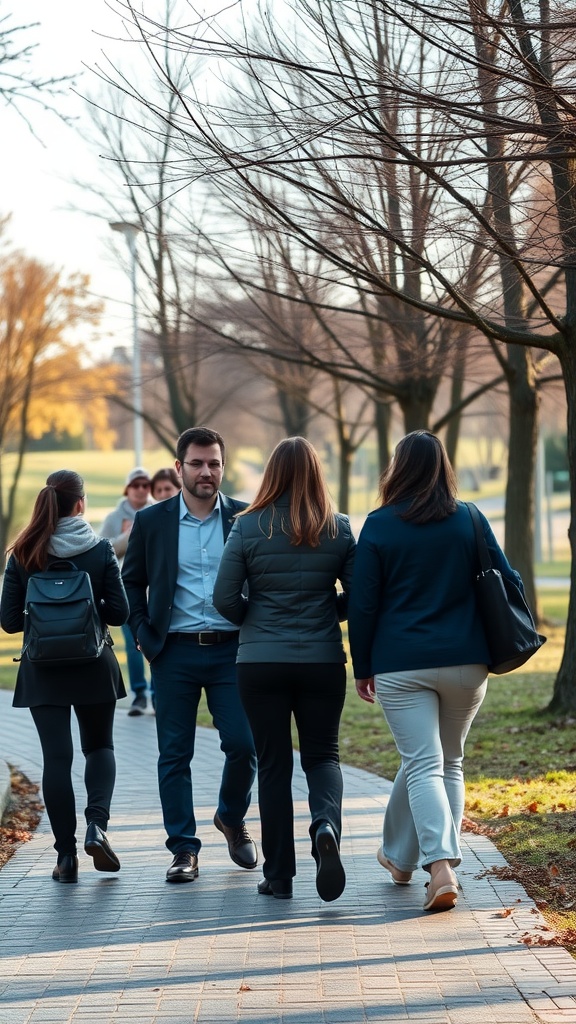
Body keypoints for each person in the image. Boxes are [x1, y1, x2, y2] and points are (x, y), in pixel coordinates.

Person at [348, 430, 522, 912]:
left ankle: (441, 865)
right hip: (468, 661)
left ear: (397, 468)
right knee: (446, 762)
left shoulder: (379, 525)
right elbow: (510, 580)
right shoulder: (469, 518)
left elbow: (363, 605)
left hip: (401, 664)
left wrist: (363, 665)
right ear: (443, 468)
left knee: (423, 762)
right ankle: (400, 859)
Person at [213, 436, 357, 902]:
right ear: (317, 473)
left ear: (271, 473)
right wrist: (324, 610)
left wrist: (254, 618)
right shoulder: (338, 529)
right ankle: (325, 827)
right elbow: (359, 597)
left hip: (260, 663)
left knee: (273, 766)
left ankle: (278, 877)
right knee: (323, 756)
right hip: (321, 661)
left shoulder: (246, 526)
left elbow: (223, 599)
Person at [121, 425, 258, 883]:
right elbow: (130, 581)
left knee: (244, 744)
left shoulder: (245, 518)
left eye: (214, 463)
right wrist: (141, 631)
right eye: (197, 463)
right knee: (174, 754)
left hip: (231, 651)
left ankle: (231, 818)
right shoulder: (152, 522)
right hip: (173, 652)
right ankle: (183, 848)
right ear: (179, 468)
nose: (206, 472)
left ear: (223, 466)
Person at [0, 470, 129, 884]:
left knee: (57, 759)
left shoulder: (22, 551)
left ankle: (66, 857)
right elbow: (120, 613)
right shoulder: (100, 549)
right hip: (94, 665)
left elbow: (8, 622)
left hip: (42, 672)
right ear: (80, 504)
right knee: (99, 747)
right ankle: (97, 826)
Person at [100, 467, 154, 716]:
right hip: (126, 588)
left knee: (160, 641)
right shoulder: (114, 517)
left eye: (145, 485)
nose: (141, 489)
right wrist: (129, 534)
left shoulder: (159, 510)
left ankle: (157, 694)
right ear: (127, 488)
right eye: (136, 485)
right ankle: (139, 695)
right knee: (134, 645)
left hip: (156, 588)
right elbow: (104, 550)